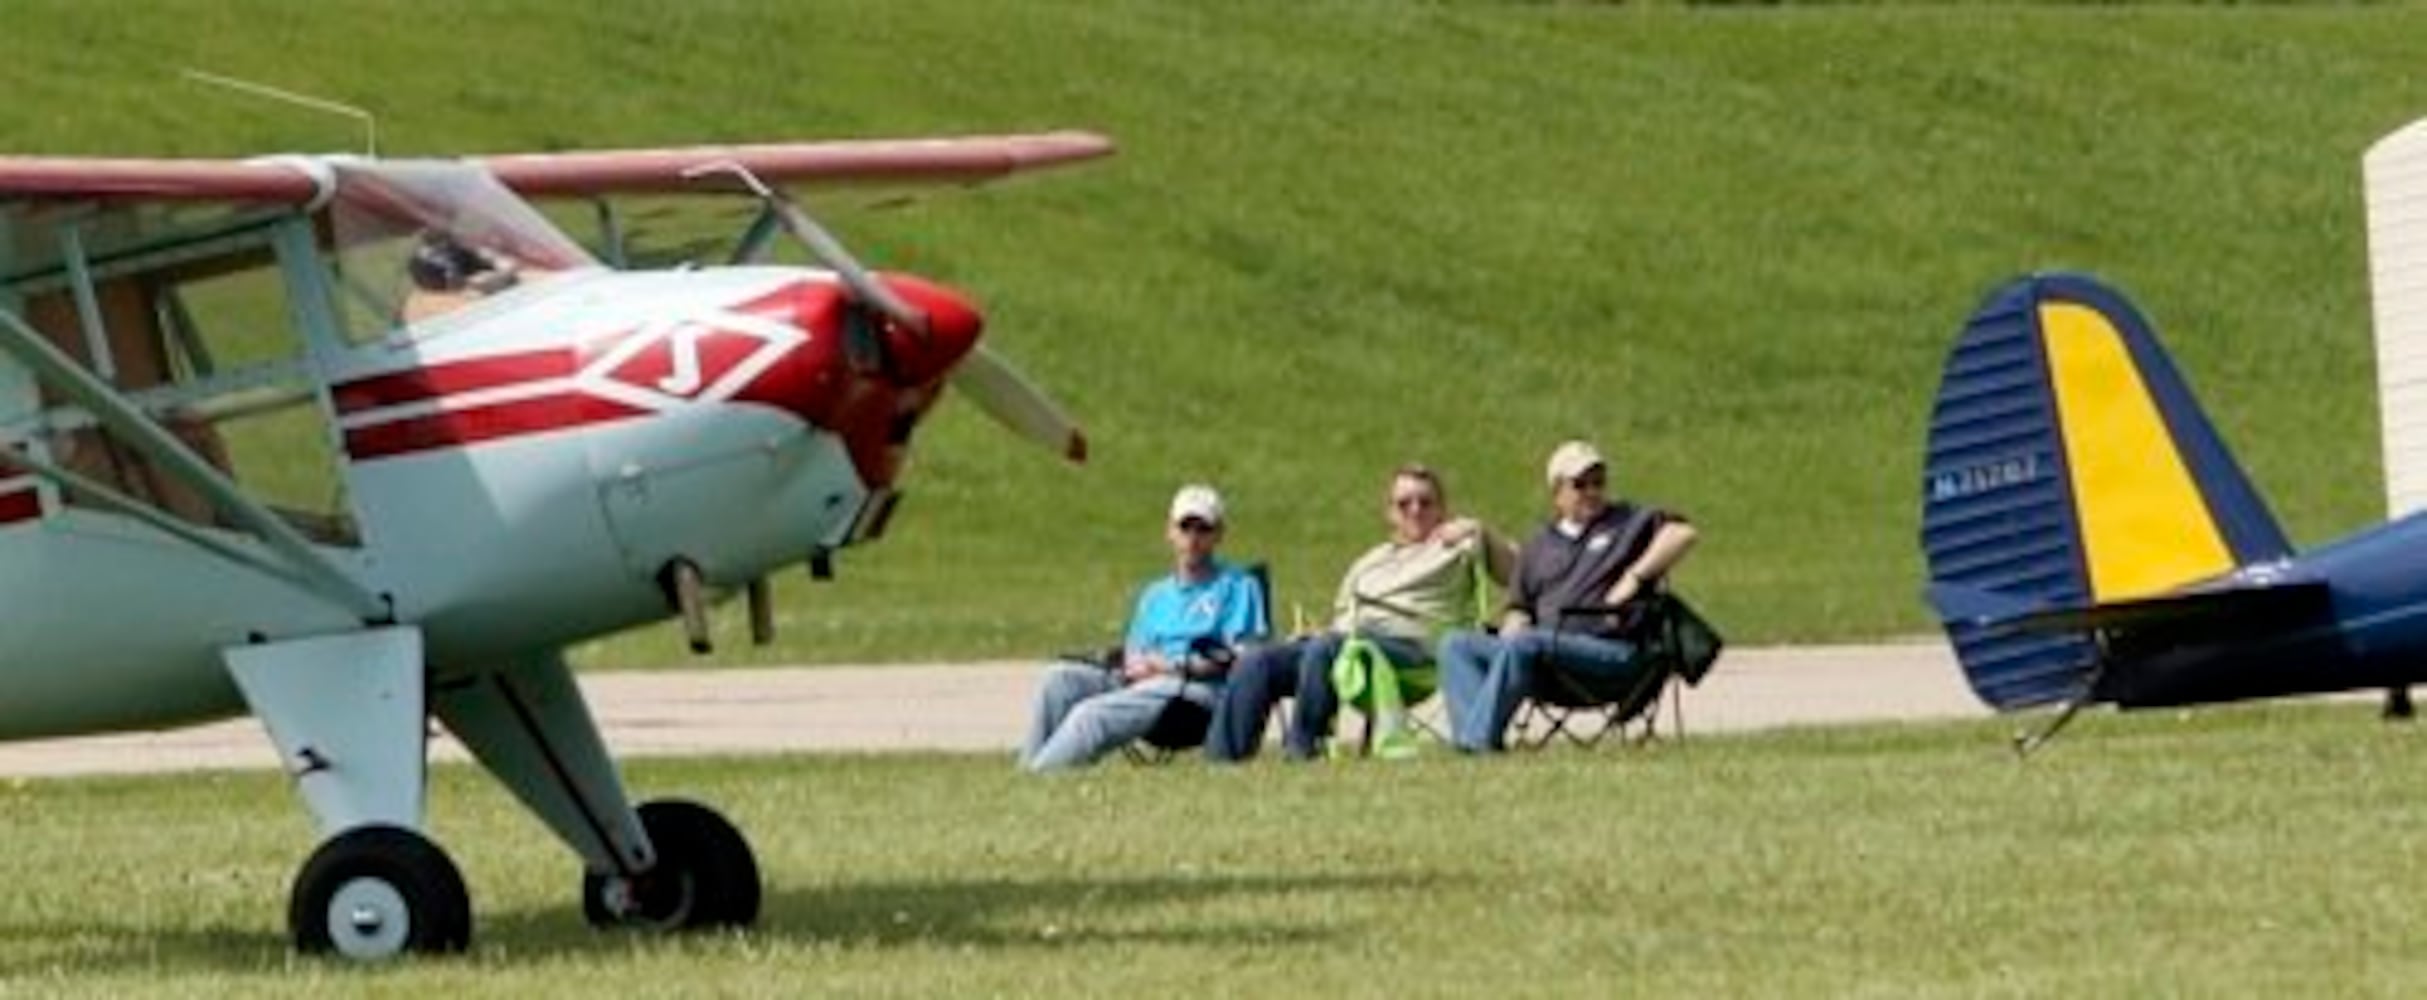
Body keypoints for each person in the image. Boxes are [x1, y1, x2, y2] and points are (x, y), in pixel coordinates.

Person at [1204, 464, 1513, 763]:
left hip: (1414, 654)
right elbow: (1343, 619)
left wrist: (1480, 530)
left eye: (1425, 502)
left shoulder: (1458, 547)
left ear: (1442, 509)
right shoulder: (1369, 562)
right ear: (1390, 513)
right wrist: (1314, 633)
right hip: (1348, 646)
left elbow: (1520, 574)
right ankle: (1222, 760)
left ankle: (1303, 749)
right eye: (1404, 503)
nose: (1415, 510)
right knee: (1259, 660)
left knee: (1330, 646)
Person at [1437, 440, 1698, 754]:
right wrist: (1512, 627)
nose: (1592, 491)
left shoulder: (1627, 521)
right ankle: (1480, 744)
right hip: (1545, 664)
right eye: (1580, 484)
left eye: (1598, 482)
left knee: (1528, 642)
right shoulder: (1539, 544)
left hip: (1613, 655)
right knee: (1456, 643)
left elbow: (1683, 534)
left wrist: (1634, 576)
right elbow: (1520, 608)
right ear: (1557, 492)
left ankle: (1473, 744)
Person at [1018, 484, 1269, 772]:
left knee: (1089, 716)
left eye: (1203, 528)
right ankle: (1024, 774)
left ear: (1219, 535)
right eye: (1185, 527)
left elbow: (1242, 658)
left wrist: (1170, 666)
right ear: (1170, 532)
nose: (1193, 538)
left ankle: (1035, 781)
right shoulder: (1155, 595)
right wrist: (1134, 664)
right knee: (1058, 680)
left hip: (1194, 694)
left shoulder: (1238, 586)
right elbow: (1135, 650)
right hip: (1144, 684)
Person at [402, 230, 520, 322]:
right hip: (452, 291)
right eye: (441, 242)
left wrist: (491, 261)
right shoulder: (421, 264)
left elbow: (475, 262)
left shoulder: (454, 250)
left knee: (502, 266)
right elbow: (449, 286)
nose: (446, 244)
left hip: (466, 283)